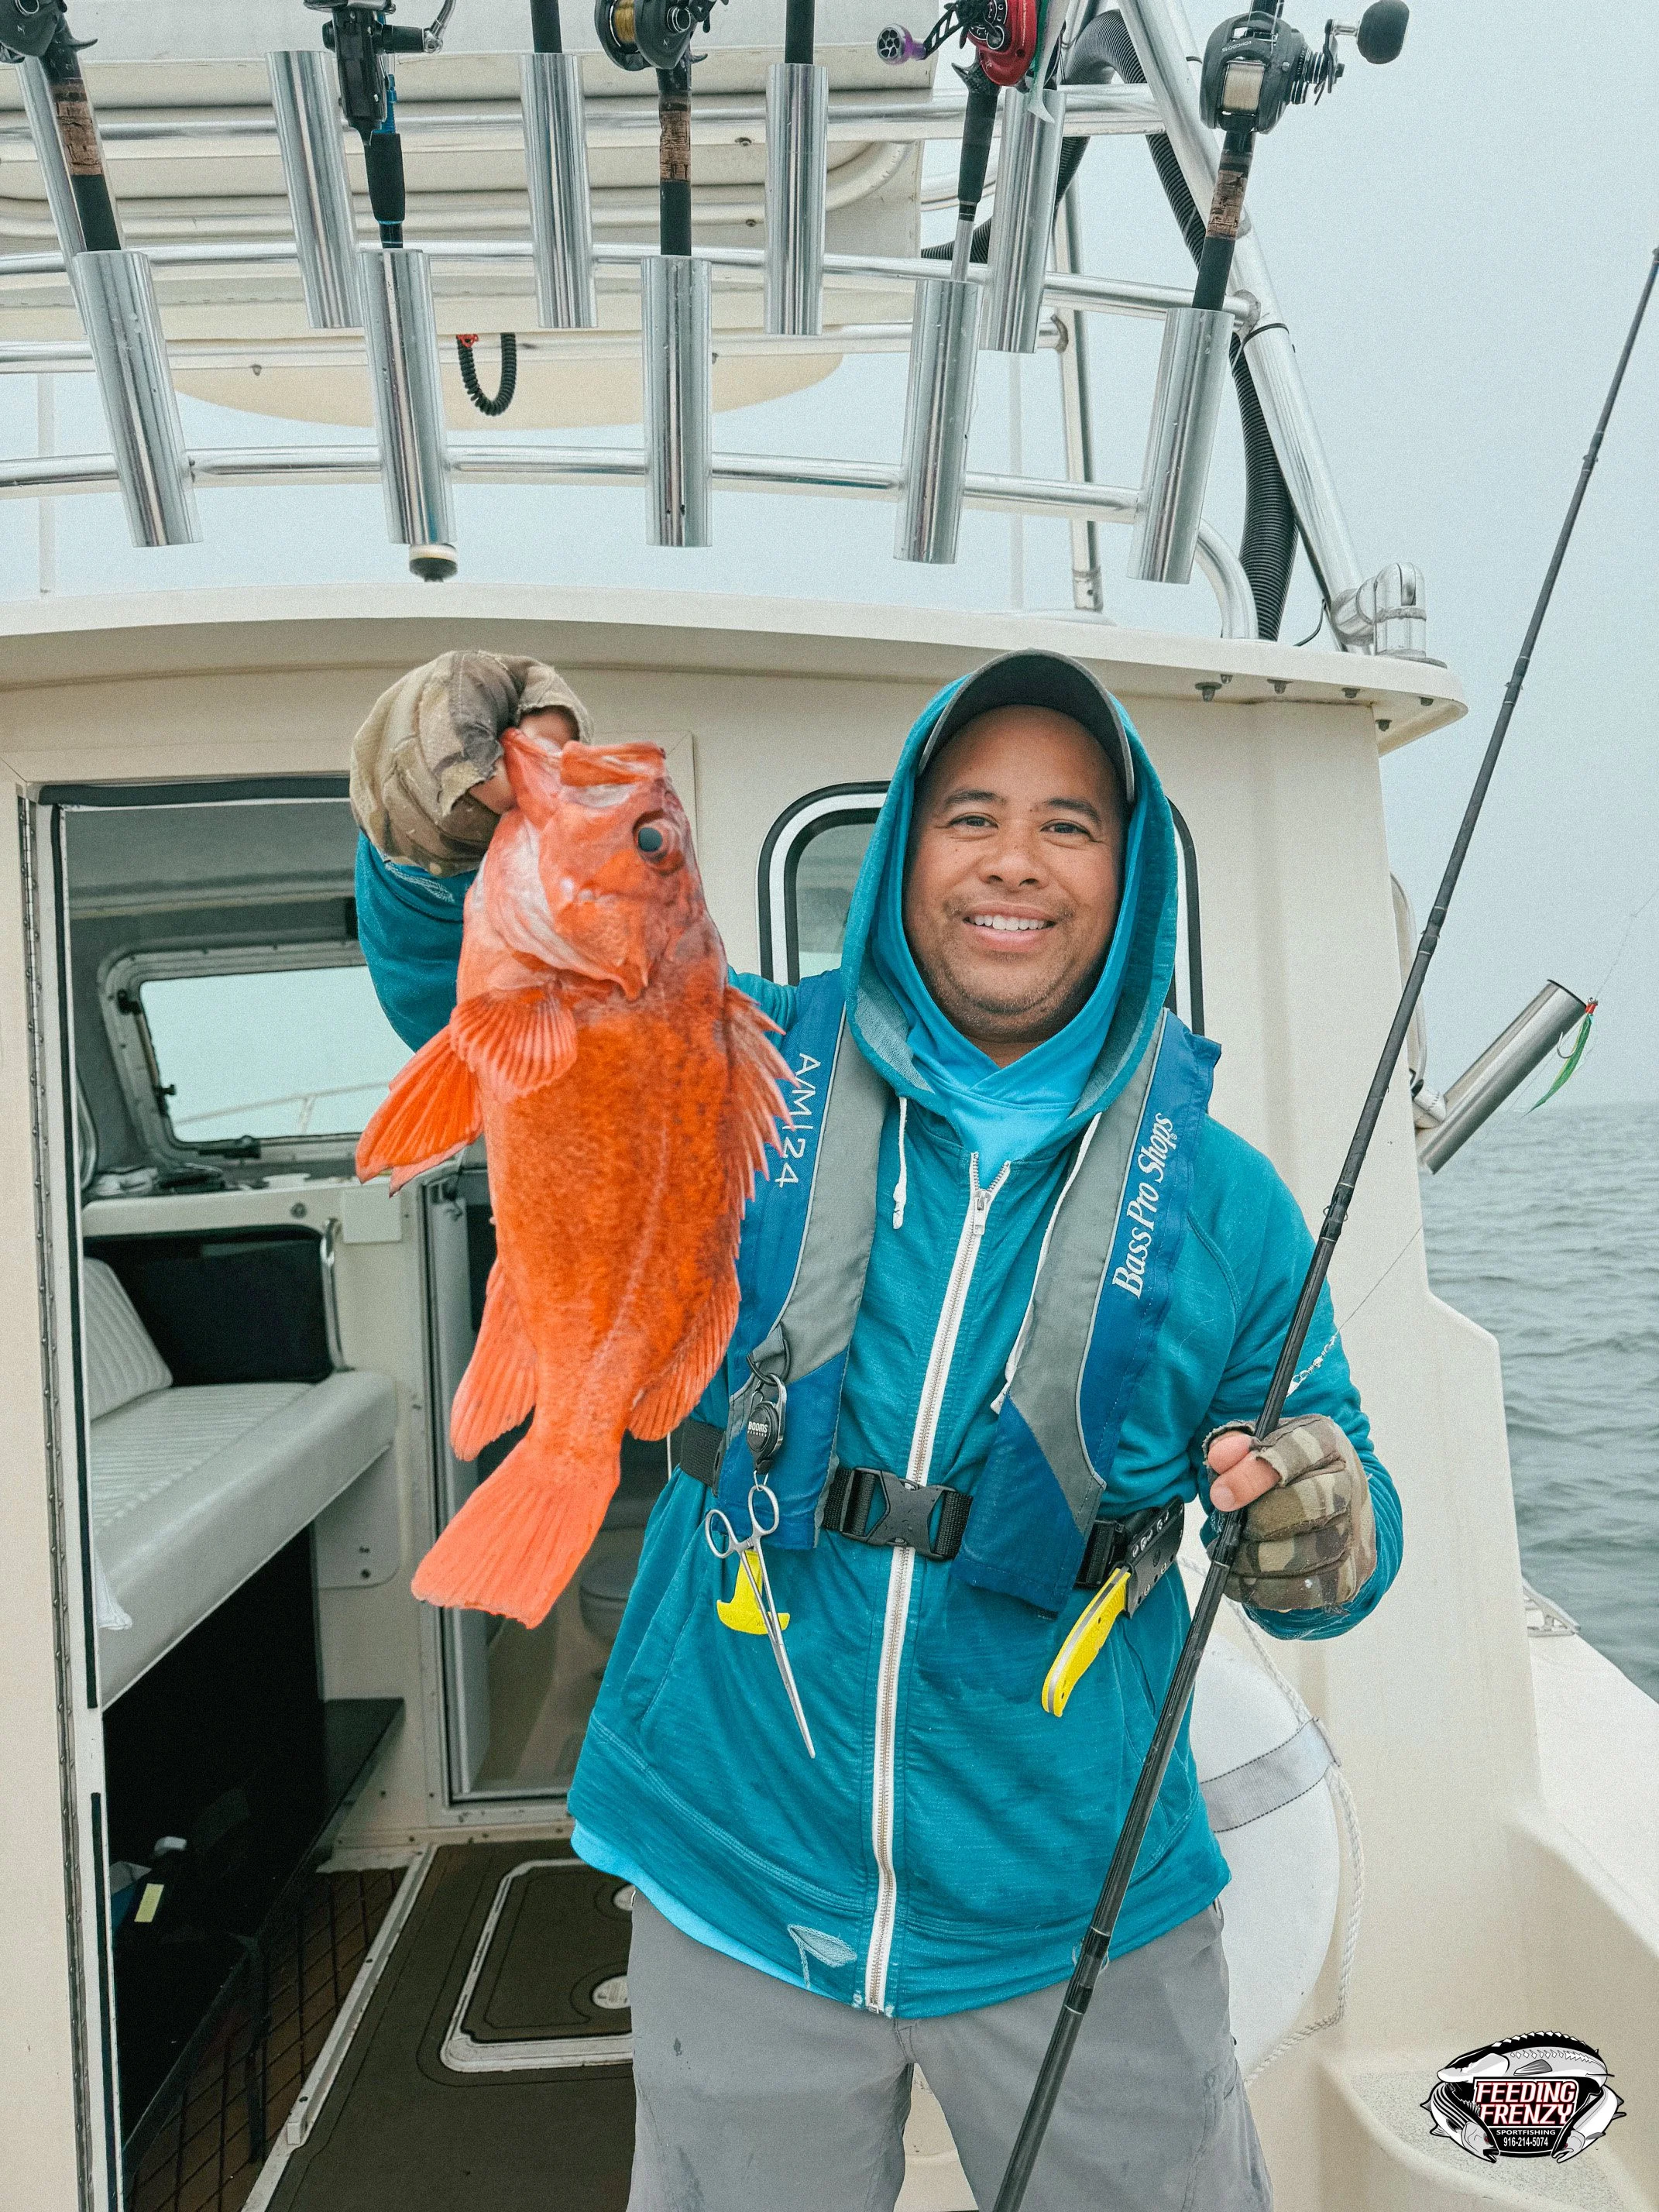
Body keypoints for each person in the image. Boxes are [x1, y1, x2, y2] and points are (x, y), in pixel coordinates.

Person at [351, 646, 1402, 2212]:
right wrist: (427, 854)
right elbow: (501, 1007)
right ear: (905, 848)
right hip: (732, 1862)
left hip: (1074, 1894)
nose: (1013, 860)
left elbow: (1336, 1489)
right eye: (970, 815)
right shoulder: (736, 1061)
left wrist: (1321, 1520)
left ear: (1131, 880)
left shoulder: (1230, 1205)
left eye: (1067, 825)